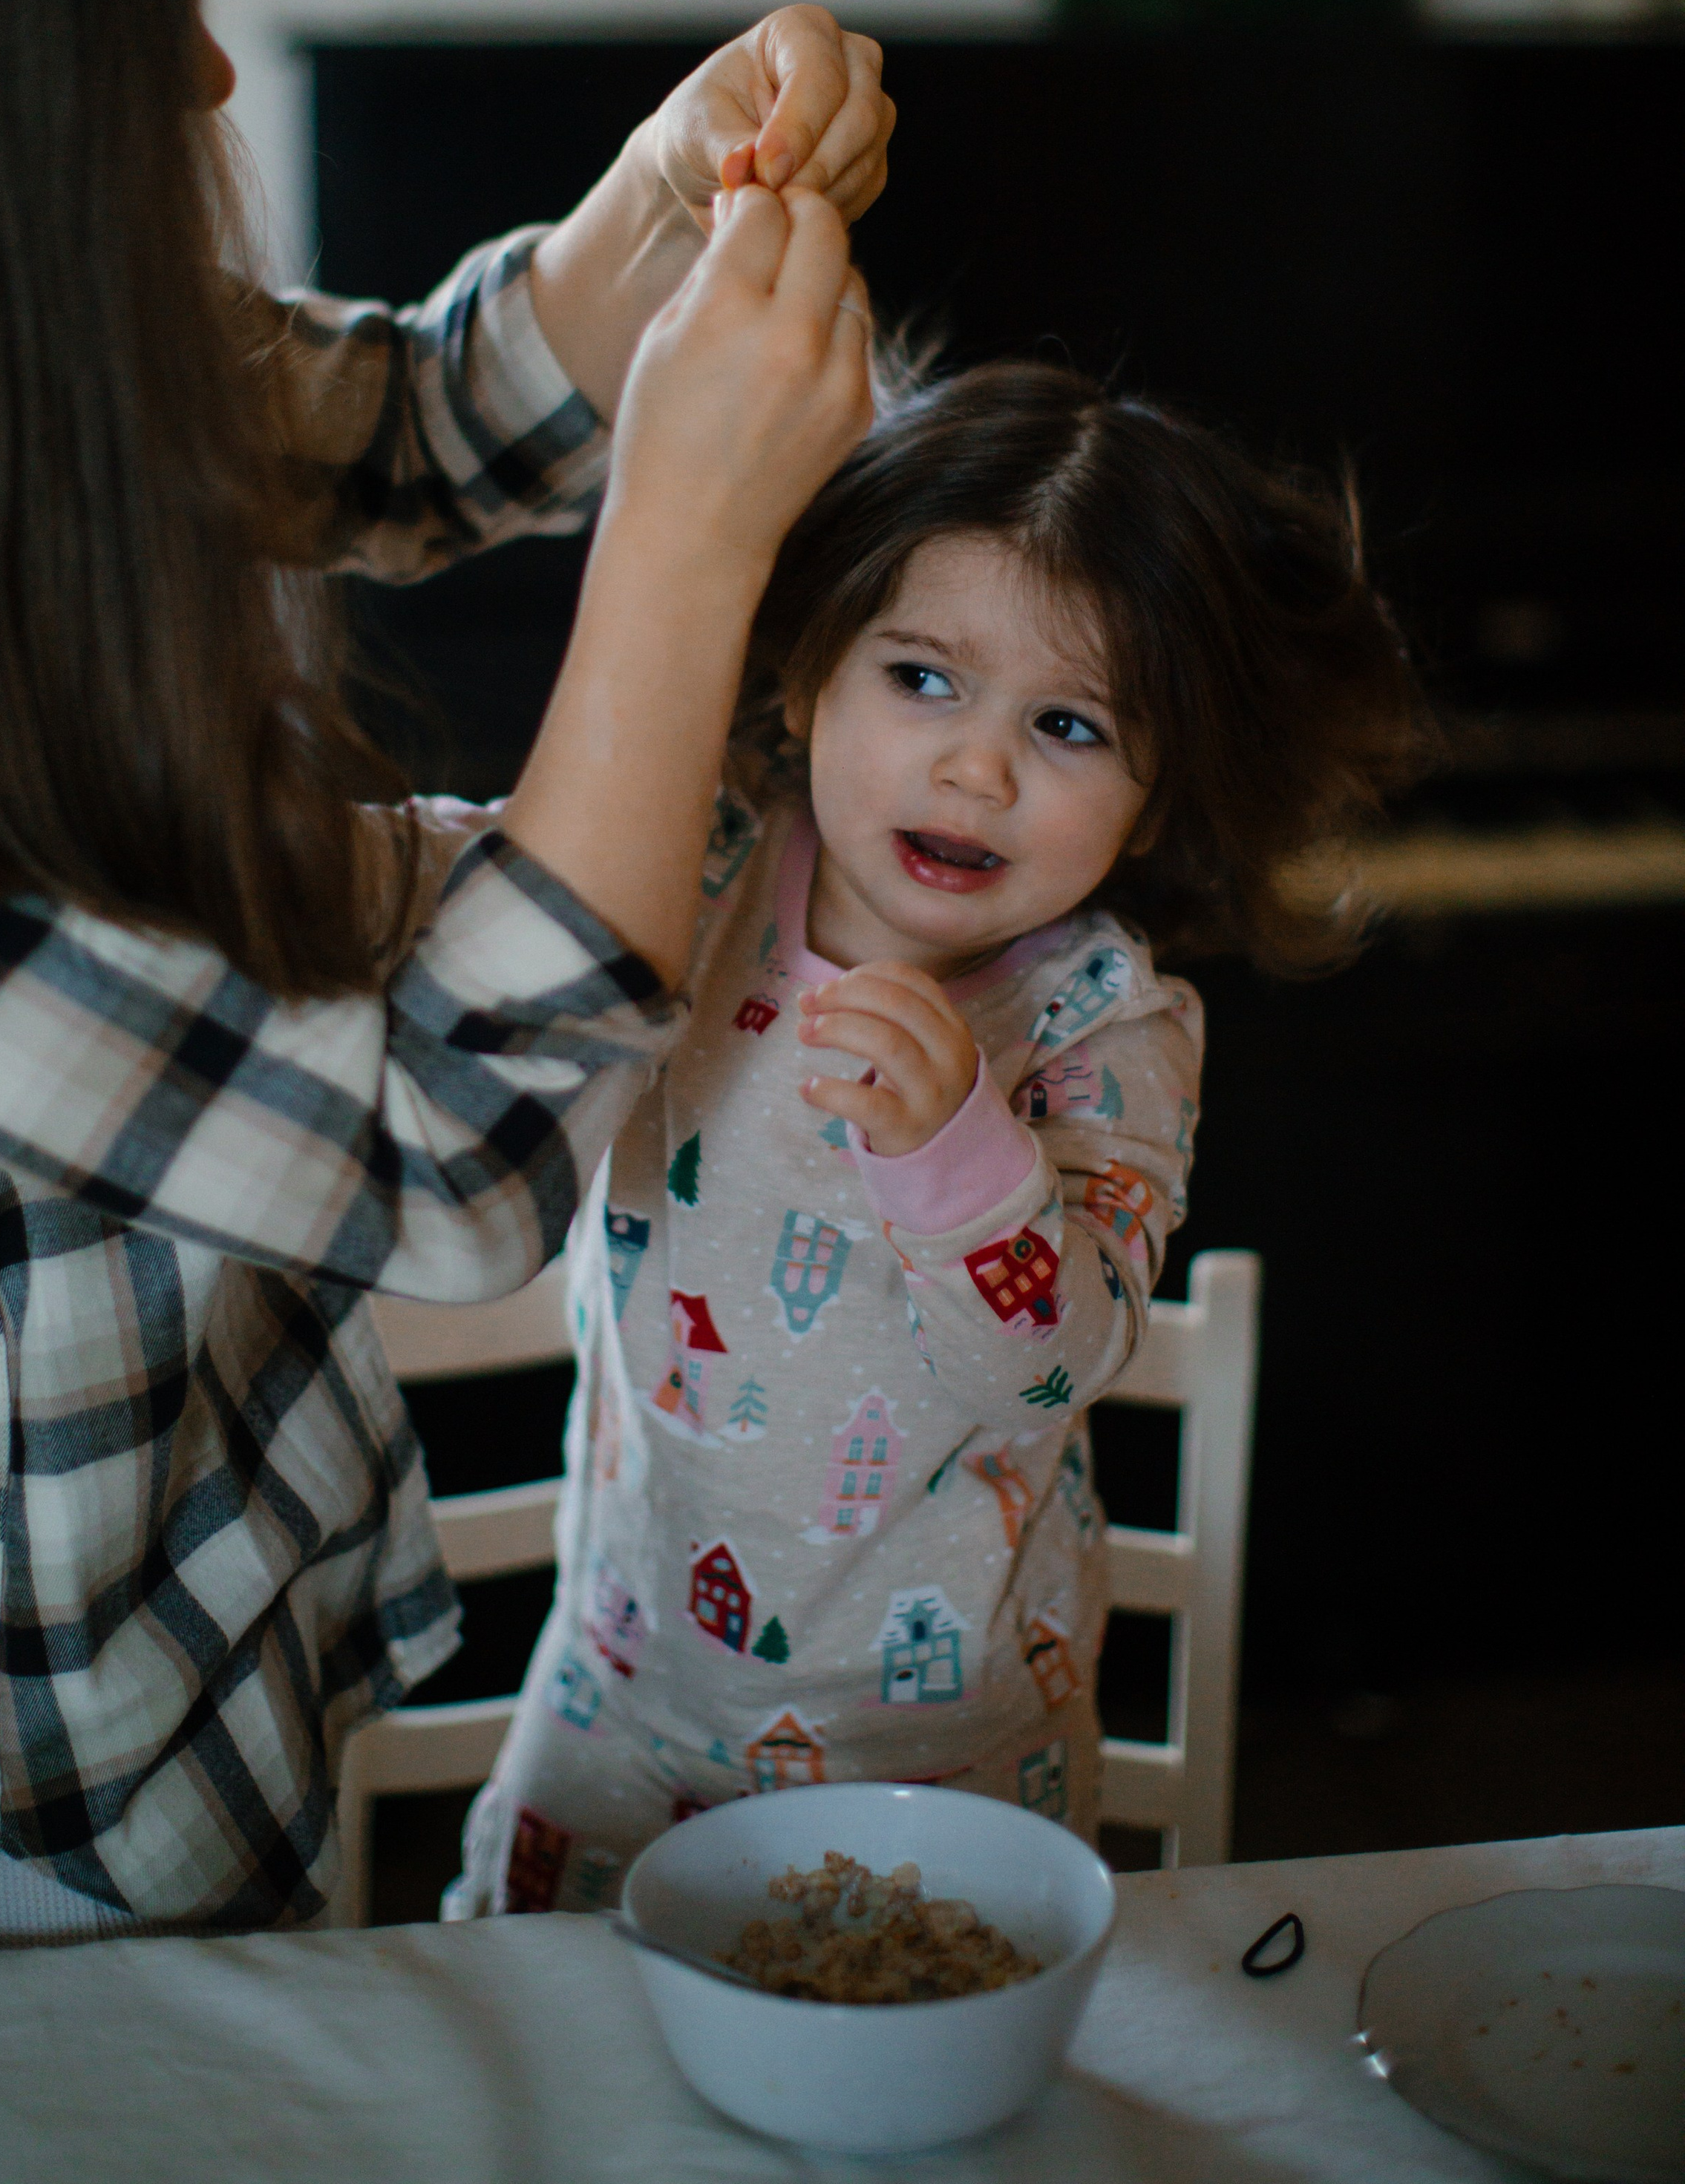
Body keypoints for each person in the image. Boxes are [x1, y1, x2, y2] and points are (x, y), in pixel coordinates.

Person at [0, 0, 894, 1955]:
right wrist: (693, 545)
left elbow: (403, 415)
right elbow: (459, 1147)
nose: (195, 58)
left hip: (192, 1697)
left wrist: (652, 215)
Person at [450, 358, 1425, 1913]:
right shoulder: (690, 870)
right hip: (616, 1713)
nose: (976, 767)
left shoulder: (1098, 1025)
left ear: (1161, 795)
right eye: (918, 679)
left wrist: (962, 1154)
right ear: (799, 680)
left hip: (952, 1764)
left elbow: (1056, 1355)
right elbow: (487, 913)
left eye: (1067, 724)